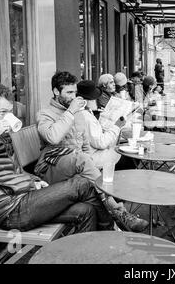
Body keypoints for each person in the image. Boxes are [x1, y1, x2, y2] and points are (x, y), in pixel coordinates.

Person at [0, 83, 102, 233]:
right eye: (2, 112)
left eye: (10, 112)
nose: (7, 118)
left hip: (24, 199)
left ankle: (87, 254)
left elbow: (15, 171)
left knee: (86, 211)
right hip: (10, 212)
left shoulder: (0, 136)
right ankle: (113, 229)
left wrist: (34, 181)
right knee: (82, 183)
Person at [35, 71, 148, 232]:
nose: (73, 96)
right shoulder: (45, 114)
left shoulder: (79, 114)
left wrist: (89, 163)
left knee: (90, 180)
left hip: (77, 163)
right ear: (55, 91)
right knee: (85, 163)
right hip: (51, 166)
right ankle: (119, 213)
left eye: (75, 92)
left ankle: (110, 226)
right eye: (69, 92)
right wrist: (70, 112)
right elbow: (52, 137)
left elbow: (85, 145)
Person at [75, 80, 122, 169]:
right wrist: (117, 126)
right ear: (87, 100)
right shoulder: (86, 117)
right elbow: (101, 143)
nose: (97, 101)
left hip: (89, 154)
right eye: (95, 98)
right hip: (93, 158)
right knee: (125, 154)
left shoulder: (82, 112)